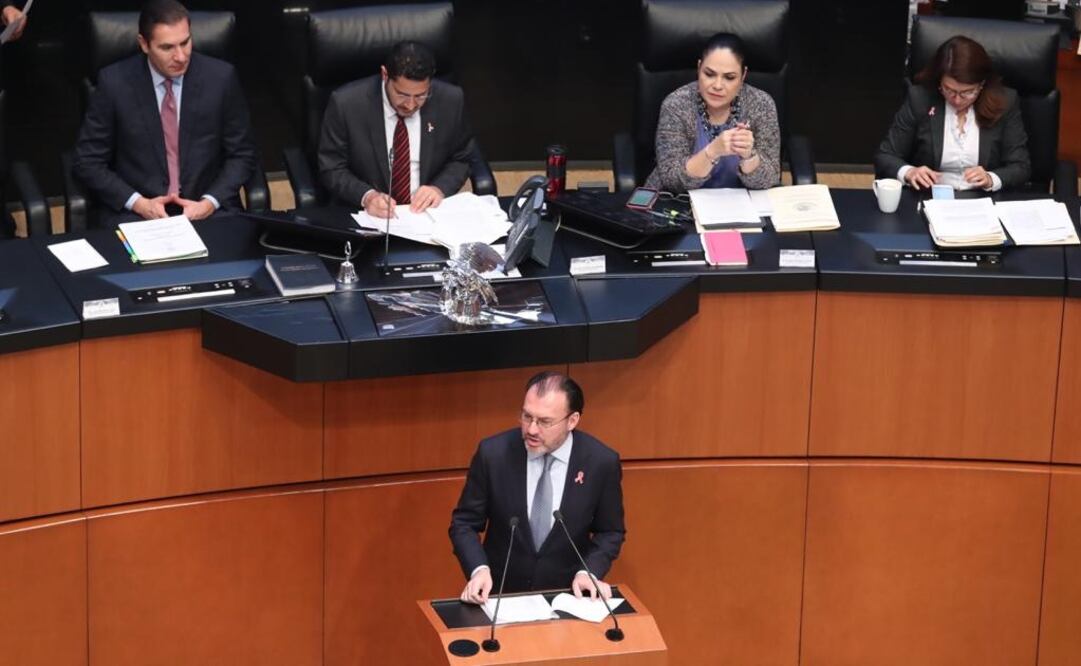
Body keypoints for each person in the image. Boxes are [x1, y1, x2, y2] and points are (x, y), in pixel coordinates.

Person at [73, 0, 256, 226]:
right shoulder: (114, 84)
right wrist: (139, 203)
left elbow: (242, 155)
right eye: (167, 48)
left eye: (185, 43)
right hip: (136, 216)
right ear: (144, 44)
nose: (180, 56)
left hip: (208, 212)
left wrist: (209, 202)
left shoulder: (221, 78)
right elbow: (88, 161)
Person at [449, 371, 625, 604]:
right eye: (526, 416)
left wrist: (589, 571)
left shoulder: (600, 462)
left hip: (567, 599)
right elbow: (464, 523)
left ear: (572, 420)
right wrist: (478, 569)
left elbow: (610, 531)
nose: (531, 430)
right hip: (500, 598)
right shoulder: (494, 454)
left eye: (544, 421)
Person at [318, 40, 474, 217]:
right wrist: (367, 196)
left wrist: (438, 188)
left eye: (421, 95)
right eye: (402, 94)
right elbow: (331, 167)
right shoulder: (347, 104)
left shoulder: (450, 100)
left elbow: (462, 158)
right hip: (370, 216)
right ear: (385, 75)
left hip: (428, 215)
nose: (410, 105)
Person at [875, 35, 1030, 192]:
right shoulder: (920, 99)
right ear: (939, 82)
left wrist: (991, 178)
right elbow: (886, 156)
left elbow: (1020, 167)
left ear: (982, 84)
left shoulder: (1005, 102)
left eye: (968, 92)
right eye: (949, 90)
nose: (957, 100)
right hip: (929, 196)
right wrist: (909, 172)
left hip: (982, 199)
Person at [645, 32, 780, 193]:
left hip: (741, 205)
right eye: (709, 74)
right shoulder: (676, 104)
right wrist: (712, 151)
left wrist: (749, 157)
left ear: (743, 75)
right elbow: (672, 180)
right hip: (680, 204)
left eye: (729, 77)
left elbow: (771, 178)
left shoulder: (761, 104)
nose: (717, 85)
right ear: (699, 67)